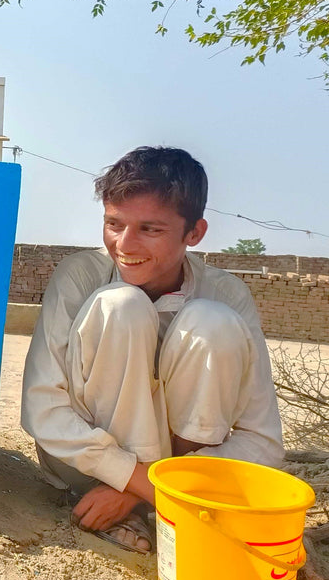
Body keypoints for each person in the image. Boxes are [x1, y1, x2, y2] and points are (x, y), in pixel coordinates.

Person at [20, 147, 283, 554]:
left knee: (211, 322)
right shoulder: (80, 277)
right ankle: (171, 508)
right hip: (86, 471)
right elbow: (43, 411)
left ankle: (149, 506)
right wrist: (135, 478)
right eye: (113, 223)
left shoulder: (228, 295)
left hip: (188, 479)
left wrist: (147, 488)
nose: (125, 244)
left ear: (194, 233)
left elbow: (262, 442)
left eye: (150, 229)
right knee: (120, 305)